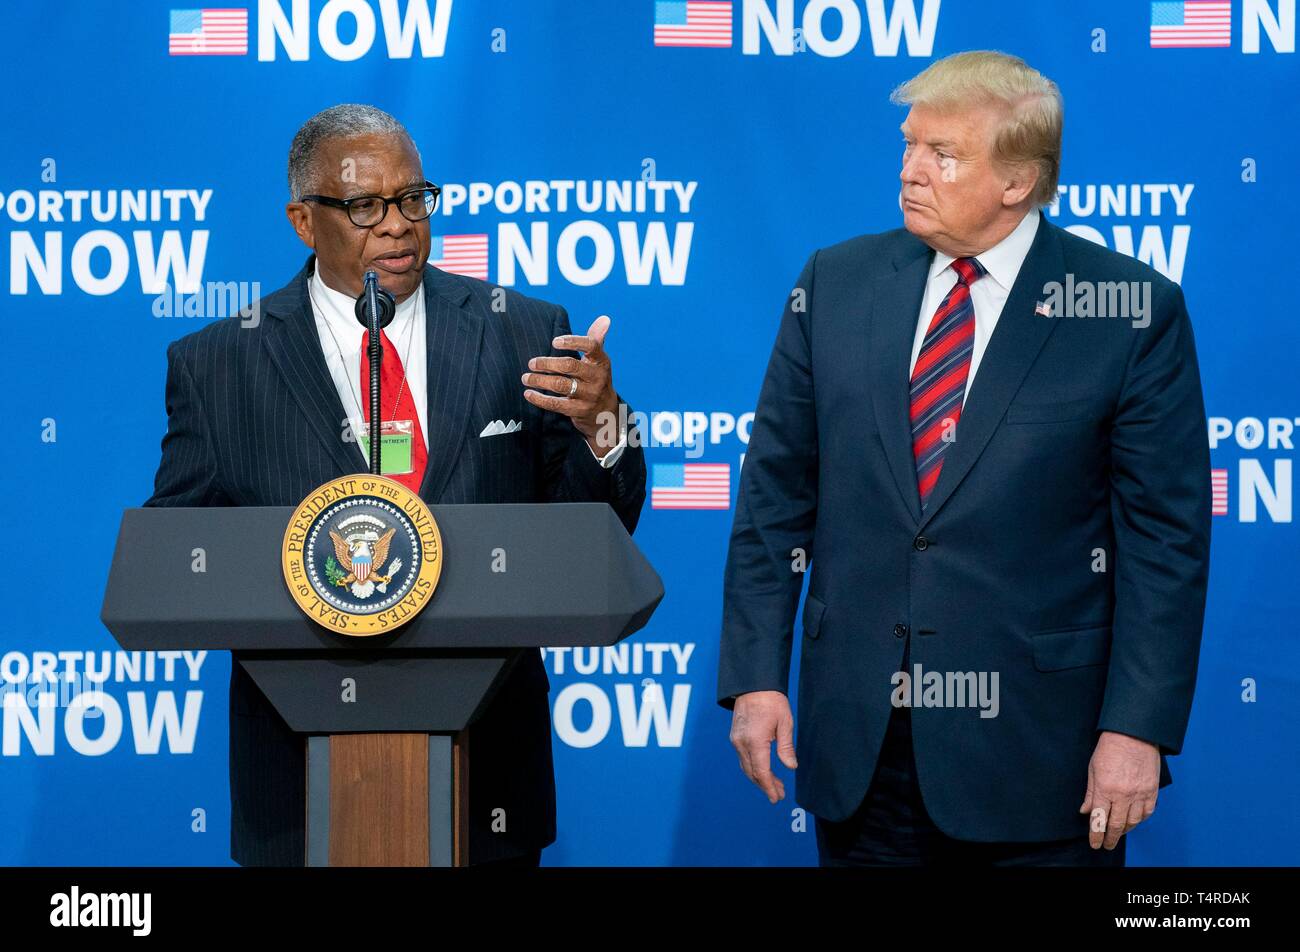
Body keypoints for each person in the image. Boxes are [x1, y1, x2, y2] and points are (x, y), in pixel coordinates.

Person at [718, 51, 1210, 866]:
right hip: (861, 754)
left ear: (1018, 182)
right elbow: (775, 497)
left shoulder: (1129, 312)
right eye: (908, 146)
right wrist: (757, 677)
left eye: (941, 155)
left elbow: (1165, 547)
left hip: (1040, 762)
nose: (910, 171)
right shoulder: (833, 284)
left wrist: (1137, 728)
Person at [145, 103, 646, 866]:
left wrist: (605, 425)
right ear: (304, 222)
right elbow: (179, 558)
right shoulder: (219, 364)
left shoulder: (522, 329)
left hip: (488, 766)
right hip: (297, 778)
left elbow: (594, 532)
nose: (398, 225)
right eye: (365, 206)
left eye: (413, 199)